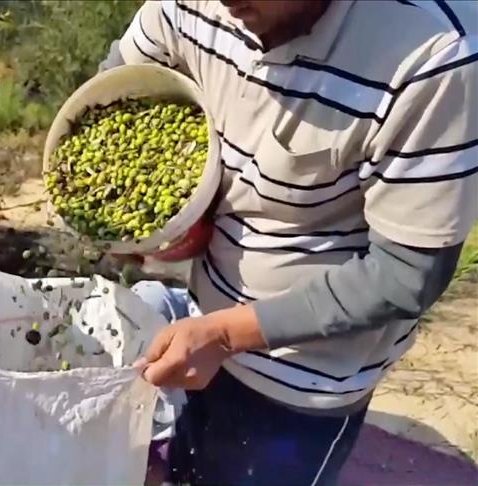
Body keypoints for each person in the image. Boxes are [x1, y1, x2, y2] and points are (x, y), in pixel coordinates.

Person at [101, 1, 478, 485]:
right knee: (188, 466)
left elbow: (405, 275)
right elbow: (115, 90)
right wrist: (142, 217)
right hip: (199, 324)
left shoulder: (435, 56)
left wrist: (225, 335)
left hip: (302, 379)